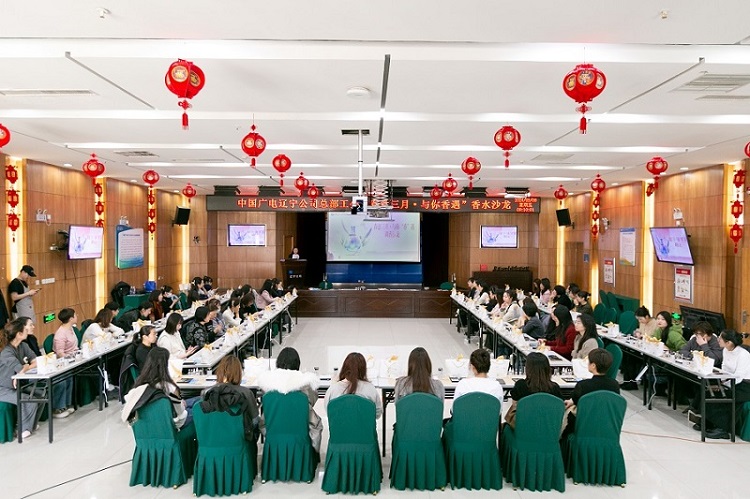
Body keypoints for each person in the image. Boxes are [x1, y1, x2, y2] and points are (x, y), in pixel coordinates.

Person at [257, 347, 323, 453]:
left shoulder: (268, 388)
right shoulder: (305, 386)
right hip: (300, 445)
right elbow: (314, 422)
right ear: (297, 364)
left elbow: (263, 424)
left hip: (274, 445)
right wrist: (314, 452)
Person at [696, 330, 750, 439]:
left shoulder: (743, 354)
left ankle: (723, 429)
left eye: (720, 338)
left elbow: (739, 377)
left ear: (729, 342)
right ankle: (710, 423)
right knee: (710, 392)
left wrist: (725, 387)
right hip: (731, 382)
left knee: (726, 396)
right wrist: (721, 383)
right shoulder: (725, 350)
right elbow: (724, 368)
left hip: (745, 385)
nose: (718, 340)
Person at [121, 346, 189, 430]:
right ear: (165, 365)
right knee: (197, 405)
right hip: (171, 428)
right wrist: (181, 404)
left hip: (148, 429)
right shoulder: (169, 387)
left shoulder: (138, 386)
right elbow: (181, 416)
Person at [562, 348, 620, 437]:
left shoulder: (583, 385)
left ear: (593, 365)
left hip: (583, 427)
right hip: (606, 425)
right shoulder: (615, 385)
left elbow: (577, 400)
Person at [200, 355, 259, 441]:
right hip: (239, 441)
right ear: (239, 373)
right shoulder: (247, 393)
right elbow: (255, 421)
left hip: (213, 440)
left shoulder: (207, 393)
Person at [0, 318, 42, 439]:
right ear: (19, 334)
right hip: (3, 388)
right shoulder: (6, 352)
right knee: (28, 400)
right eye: (25, 329)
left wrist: (24, 368)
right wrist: (23, 369)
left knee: (41, 395)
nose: (28, 330)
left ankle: (31, 425)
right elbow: (20, 369)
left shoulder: (23, 345)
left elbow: (36, 361)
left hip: (16, 385)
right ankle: (22, 429)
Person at [506, 352, 563, 429]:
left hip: (524, 428)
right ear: (547, 368)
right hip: (548, 429)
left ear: (528, 368)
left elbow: (515, 406)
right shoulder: (554, 388)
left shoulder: (521, 386)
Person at [323, 352, 383, 418]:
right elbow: (377, 414)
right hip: (364, 425)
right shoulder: (370, 389)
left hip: (340, 425)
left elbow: (328, 411)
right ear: (363, 369)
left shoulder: (333, 389)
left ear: (344, 368)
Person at [51, 308, 78, 418]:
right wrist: (70, 357)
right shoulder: (60, 334)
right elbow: (60, 353)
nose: (77, 316)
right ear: (71, 318)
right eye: (75, 315)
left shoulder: (71, 329)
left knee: (70, 379)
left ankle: (66, 405)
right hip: (62, 362)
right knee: (63, 380)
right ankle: (58, 408)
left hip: (72, 359)